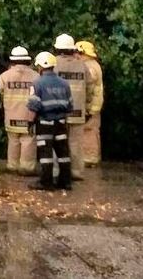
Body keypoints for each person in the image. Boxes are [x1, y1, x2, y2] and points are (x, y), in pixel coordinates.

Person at [28, 52, 73, 190]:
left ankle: (46, 182)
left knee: (45, 153)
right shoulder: (65, 84)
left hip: (45, 123)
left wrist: (30, 123)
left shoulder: (37, 84)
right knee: (63, 153)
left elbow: (33, 106)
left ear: (41, 67)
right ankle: (65, 182)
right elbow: (70, 106)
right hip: (61, 123)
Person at [52, 34, 92, 180]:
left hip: (58, 111)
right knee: (76, 144)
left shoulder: (54, 64)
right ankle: (75, 172)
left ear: (57, 49)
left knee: (57, 142)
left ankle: (57, 171)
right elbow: (90, 88)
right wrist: (88, 107)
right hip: (78, 111)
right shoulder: (83, 65)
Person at [0, 46, 40, 175]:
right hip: (29, 116)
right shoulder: (36, 76)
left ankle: (12, 165)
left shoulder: (4, 76)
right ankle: (27, 167)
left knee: (13, 141)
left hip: (11, 116)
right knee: (28, 141)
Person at [76, 40, 104, 166]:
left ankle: (89, 158)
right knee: (92, 131)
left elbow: (88, 86)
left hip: (91, 106)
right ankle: (92, 157)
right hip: (95, 105)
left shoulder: (89, 67)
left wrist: (86, 105)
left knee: (88, 132)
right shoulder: (94, 64)